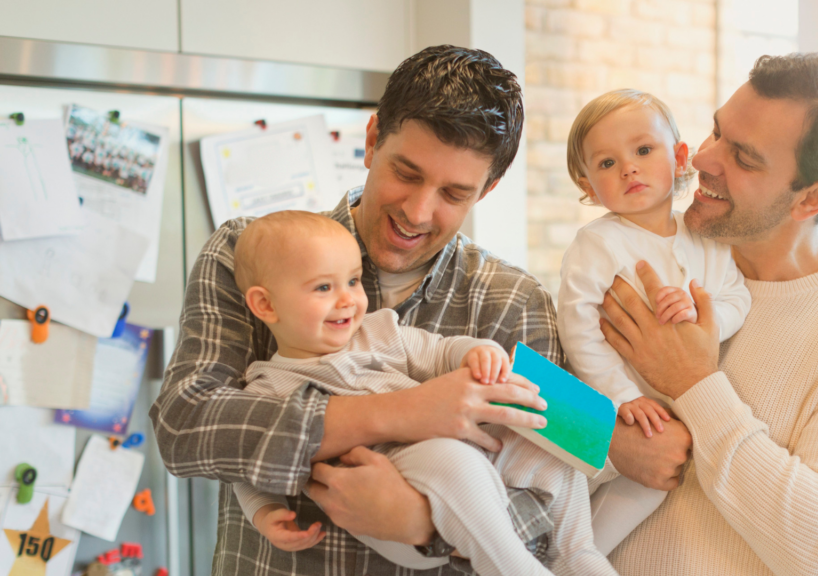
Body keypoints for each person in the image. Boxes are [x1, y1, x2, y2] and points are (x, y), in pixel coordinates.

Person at [151, 45, 564, 576]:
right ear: (372, 141)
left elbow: (545, 515)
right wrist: (398, 413)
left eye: (453, 193)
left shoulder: (515, 300)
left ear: (487, 191)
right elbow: (186, 428)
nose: (417, 212)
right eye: (407, 173)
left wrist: (425, 524)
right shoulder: (247, 253)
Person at [598, 53, 818, 575]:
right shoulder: (647, 258)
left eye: (745, 158)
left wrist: (693, 383)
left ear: (811, 199)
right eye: (715, 132)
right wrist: (609, 441)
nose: (703, 159)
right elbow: (540, 400)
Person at [229, 210, 617, 576]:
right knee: (450, 457)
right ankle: (514, 566)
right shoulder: (267, 386)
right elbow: (245, 464)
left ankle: (578, 554)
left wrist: (476, 352)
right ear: (265, 304)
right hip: (386, 494)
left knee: (538, 435)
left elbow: (439, 351)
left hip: (468, 461)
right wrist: (264, 510)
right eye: (324, 287)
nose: (348, 299)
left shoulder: (377, 332)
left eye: (352, 281)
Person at [556, 89, 751, 554]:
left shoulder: (705, 238)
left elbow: (736, 296)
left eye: (643, 150)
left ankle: (579, 560)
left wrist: (705, 321)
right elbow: (577, 324)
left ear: (680, 157)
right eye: (606, 163)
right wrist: (619, 394)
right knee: (561, 489)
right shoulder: (598, 244)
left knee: (649, 484)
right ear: (587, 186)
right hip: (608, 410)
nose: (629, 168)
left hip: (669, 422)